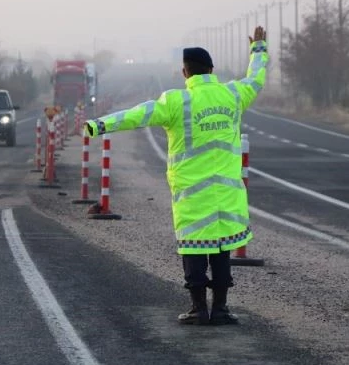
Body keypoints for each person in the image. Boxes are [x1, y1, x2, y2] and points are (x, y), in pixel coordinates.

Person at [84, 27, 268, 325]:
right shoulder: (233, 94)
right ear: (212, 70)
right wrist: (258, 48)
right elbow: (256, 80)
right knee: (222, 249)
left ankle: (198, 308)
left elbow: (136, 115)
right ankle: (220, 309)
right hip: (227, 194)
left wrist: (99, 125)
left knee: (194, 250)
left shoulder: (176, 102)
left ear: (185, 73)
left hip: (193, 195)